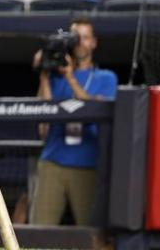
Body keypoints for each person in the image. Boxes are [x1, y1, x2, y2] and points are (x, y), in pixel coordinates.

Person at [30, 18, 118, 225]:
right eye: (75, 38)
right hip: (53, 160)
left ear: (94, 42)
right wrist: (44, 72)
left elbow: (93, 108)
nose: (80, 42)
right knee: (39, 228)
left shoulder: (106, 77)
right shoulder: (56, 76)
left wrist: (70, 77)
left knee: (90, 232)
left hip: (87, 163)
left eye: (85, 38)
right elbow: (43, 120)